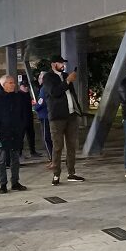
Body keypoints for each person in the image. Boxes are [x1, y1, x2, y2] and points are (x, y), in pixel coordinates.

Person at [42, 55, 85, 186]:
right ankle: (56, 174)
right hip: (57, 117)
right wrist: (67, 82)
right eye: (60, 63)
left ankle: (71, 173)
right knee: (58, 146)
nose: (63, 65)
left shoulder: (66, 75)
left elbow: (71, 94)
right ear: (53, 64)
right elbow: (54, 92)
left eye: (63, 63)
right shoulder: (48, 77)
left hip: (71, 115)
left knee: (71, 145)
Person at [0, 75, 28, 194]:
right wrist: (0, 129)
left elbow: (22, 114)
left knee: (15, 159)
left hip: (16, 133)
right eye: (10, 83)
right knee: (2, 160)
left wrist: (21, 127)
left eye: (13, 82)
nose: (13, 85)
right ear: (3, 85)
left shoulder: (17, 97)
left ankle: (15, 182)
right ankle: (3, 184)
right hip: (2, 133)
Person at [34, 71, 53, 168]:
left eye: (40, 78)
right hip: (49, 115)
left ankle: (52, 159)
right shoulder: (49, 87)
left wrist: (35, 106)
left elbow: (41, 103)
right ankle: (53, 159)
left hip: (44, 116)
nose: (39, 79)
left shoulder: (43, 89)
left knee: (46, 138)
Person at [19, 81, 42, 158]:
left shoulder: (27, 94)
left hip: (29, 118)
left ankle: (33, 151)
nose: (26, 88)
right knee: (20, 137)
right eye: (24, 86)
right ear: (21, 86)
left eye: (27, 86)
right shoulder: (18, 95)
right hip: (21, 119)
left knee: (31, 136)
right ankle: (19, 153)